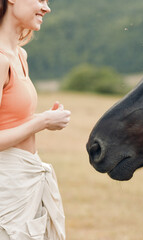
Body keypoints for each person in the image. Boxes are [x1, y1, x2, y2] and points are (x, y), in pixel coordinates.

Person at [0, 0, 70, 239]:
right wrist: (41, 123)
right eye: (40, 0)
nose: (46, 8)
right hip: (6, 185)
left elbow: (9, 120)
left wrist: (44, 117)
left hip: (25, 179)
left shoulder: (20, 55)